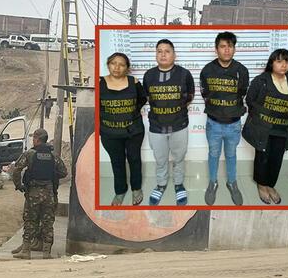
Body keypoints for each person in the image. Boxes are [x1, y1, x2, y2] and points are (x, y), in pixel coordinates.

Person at [242, 49, 288, 205]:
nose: (284, 65)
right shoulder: (262, 80)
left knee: (277, 158)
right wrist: (263, 116)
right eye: (279, 61)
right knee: (262, 157)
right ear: (271, 63)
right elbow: (250, 100)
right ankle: (261, 184)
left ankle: (271, 185)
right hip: (264, 128)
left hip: (282, 128)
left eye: (287, 61)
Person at [143, 39, 195, 206]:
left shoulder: (184, 74)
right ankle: (161, 184)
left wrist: (174, 109)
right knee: (160, 159)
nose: (163, 54)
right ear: (155, 55)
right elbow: (148, 98)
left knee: (179, 157)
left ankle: (179, 185)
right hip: (156, 126)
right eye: (159, 51)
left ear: (174, 55)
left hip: (179, 125)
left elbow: (190, 96)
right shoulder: (149, 75)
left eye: (167, 51)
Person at [200, 32, 249, 206]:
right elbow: (205, 93)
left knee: (231, 155)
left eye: (230, 46)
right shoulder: (207, 70)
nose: (226, 50)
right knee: (213, 154)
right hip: (213, 123)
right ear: (216, 49)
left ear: (234, 48)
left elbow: (242, 93)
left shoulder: (241, 71)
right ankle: (212, 183)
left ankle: (232, 183)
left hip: (233, 124)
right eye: (223, 46)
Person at [11, 128, 68, 259]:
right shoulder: (54, 155)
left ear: (37, 139)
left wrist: (18, 185)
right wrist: (51, 175)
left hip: (34, 192)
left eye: (33, 138)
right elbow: (64, 172)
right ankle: (46, 252)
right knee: (48, 222)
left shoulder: (30, 154)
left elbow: (16, 169)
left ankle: (26, 250)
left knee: (30, 220)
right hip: (49, 193)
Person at [99, 52, 147, 206]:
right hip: (109, 133)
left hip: (133, 131)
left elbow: (142, 99)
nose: (117, 67)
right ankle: (120, 191)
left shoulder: (134, 82)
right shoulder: (99, 83)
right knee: (117, 161)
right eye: (113, 63)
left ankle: (136, 189)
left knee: (134, 159)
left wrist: (130, 112)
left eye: (121, 64)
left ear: (127, 68)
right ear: (108, 64)